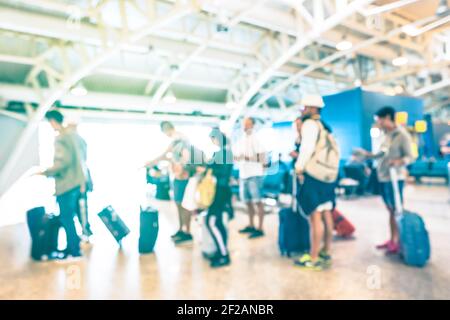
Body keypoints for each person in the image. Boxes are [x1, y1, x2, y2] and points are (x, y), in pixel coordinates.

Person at [355, 107, 414, 254]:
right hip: (382, 177)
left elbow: (411, 156)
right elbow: (381, 154)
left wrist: (399, 161)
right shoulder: (385, 135)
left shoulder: (402, 135)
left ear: (387, 117)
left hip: (395, 179)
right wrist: (368, 155)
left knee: (396, 210)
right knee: (390, 210)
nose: (378, 123)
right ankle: (392, 239)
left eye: (379, 120)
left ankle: (399, 241)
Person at [294, 94, 338, 271]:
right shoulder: (325, 126)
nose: (302, 110)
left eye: (304, 107)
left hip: (314, 175)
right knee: (326, 213)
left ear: (312, 108)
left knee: (315, 217)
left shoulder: (310, 125)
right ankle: (326, 252)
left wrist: (299, 167)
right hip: (328, 175)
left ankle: (313, 257)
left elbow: (306, 148)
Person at [36, 110, 87, 260]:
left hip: (67, 185)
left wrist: (45, 172)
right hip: (77, 184)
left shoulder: (62, 138)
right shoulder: (76, 138)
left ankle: (74, 249)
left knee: (66, 218)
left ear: (53, 121)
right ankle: (74, 246)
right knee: (71, 217)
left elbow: (62, 163)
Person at [144, 121, 195, 244]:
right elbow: (170, 156)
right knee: (178, 203)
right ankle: (182, 229)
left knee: (183, 204)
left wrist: (151, 162)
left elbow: (166, 154)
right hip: (178, 176)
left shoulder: (178, 138)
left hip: (182, 177)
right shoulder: (179, 139)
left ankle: (187, 232)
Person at [233, 117, 267, 239]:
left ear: (253, 125)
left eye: (247, 124)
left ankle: (260, 228)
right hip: (244, 175)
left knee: (258, 202)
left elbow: (263, 159)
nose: (245, 126)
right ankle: (251, 225)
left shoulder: (256, 139)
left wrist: (247, 158)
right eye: (244, 124)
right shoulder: (242, 140)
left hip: (254, 175)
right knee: (247, 202)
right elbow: (238, 156)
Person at [205, 128, 233, 268]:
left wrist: (207, 168)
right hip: (221, 192)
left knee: (212, 222)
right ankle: (220, 250)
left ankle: (224, 255)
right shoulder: (223, 152)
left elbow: (221, 172)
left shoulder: (224, 153)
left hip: (220, 192)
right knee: (217, 222)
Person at [67, 123, 94, 240]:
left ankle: (86, 232)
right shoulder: (77, 142)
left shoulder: (78, 142)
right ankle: (85, 231)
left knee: (82, 210)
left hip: (80, 182)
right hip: (77, 182)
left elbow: (81, 163)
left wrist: (82, 183)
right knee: (80, 209)